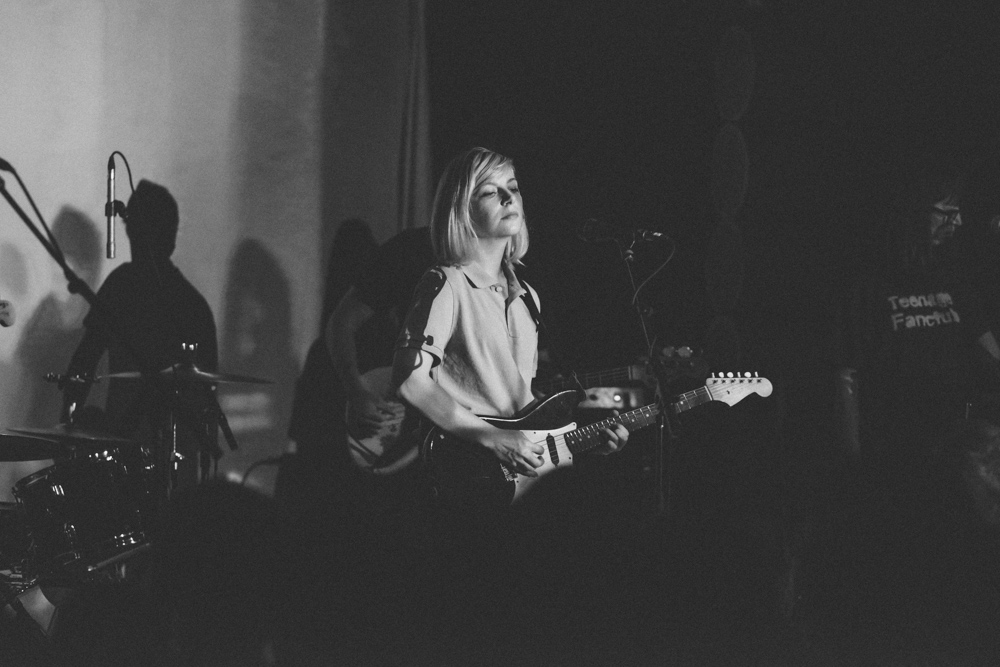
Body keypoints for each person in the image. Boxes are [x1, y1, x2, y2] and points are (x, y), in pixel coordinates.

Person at [391, 147, 629, 660]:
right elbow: (411, 379)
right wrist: (488, 436)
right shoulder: (446, 283)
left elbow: (530, 409)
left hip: (525, 490)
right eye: (490, 190)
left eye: (514, 187)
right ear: (462, 207)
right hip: (469, 479)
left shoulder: (529, 298)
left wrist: (586, 442)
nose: (508, 197)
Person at [834, 165, 1000, 649]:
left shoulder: (955, 277)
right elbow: (846, 373)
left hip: (956, 441)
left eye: (960, 212)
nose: (958, 222)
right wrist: (852, 449)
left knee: (962, 555)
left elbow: (986, 347)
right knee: (904, 568)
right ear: (912, 216)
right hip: (896, 447)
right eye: (945, 212)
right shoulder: (868, 286)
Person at [62, 179, 218, 484]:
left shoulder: (120, 287)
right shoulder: (195, 306)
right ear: (171, 237)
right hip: (176, 469)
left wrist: (66, 428)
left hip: (121, 461)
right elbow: (209, 398)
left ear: (133, 231)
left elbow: (83, 363)